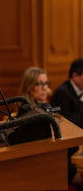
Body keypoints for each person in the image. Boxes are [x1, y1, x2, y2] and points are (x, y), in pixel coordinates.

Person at [51, 58, 83, 186]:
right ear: (75, 74)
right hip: (65, 152)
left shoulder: (79, 91)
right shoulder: (62, 93)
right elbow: (72, 125)